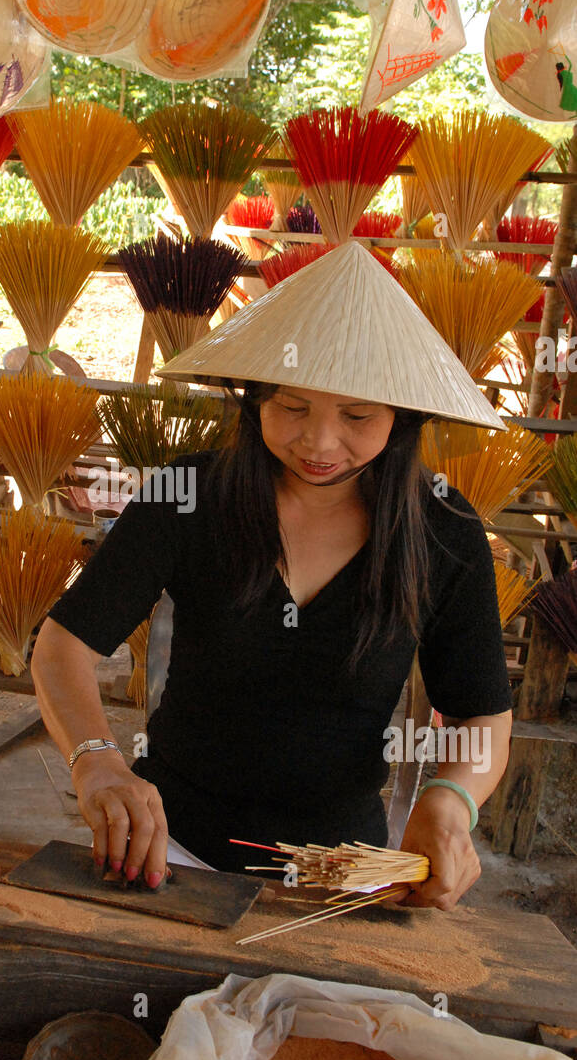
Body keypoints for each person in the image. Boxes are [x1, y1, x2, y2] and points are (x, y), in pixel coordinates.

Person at [31, 242, 514, 909]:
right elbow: (62, 647)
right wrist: (98, 762)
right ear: (253, 396)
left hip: (343, 874)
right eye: (291, 407)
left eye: (356, 416)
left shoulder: (443, 532)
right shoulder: (188, 496)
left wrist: (451, 803)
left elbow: (481, 716)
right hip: (169, 851)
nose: (318, 442)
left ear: (402, 419)